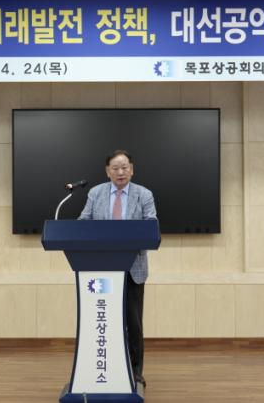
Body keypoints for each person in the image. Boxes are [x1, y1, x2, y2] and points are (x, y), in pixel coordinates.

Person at [78, 150, 157, 389]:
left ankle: (135, 372)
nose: (120, 172)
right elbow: (83, 222)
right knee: (104, 320)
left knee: (133, 323)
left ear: (132, 170)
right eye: (115, 168)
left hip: (133, 268)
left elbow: (151, 225)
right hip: (101, 269)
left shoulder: (144, 194)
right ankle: (105, 367)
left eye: (124, 167)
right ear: (107, 171)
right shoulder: (96, 193)